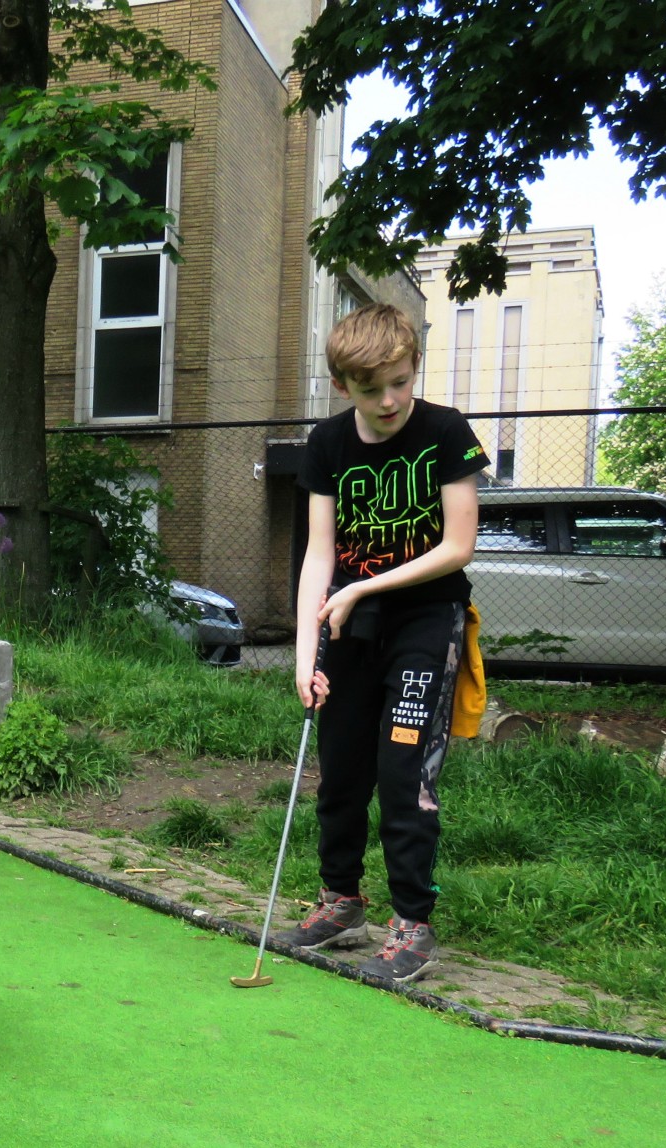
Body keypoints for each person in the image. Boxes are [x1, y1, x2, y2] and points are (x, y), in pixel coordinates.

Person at [287, 303, 490, 983]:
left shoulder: (444, 433)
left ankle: (413, 925)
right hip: (349, 624)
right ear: (343, 386)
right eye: (372, 389)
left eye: (401, 381)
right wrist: (303, 655)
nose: (390, 399)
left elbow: (457, 546)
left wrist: (362, 589)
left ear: (413, 369)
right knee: (341, 770)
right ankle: (341, 903)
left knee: (405, 775)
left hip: (425, 624)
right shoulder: (327, 445)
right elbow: (319, 556)